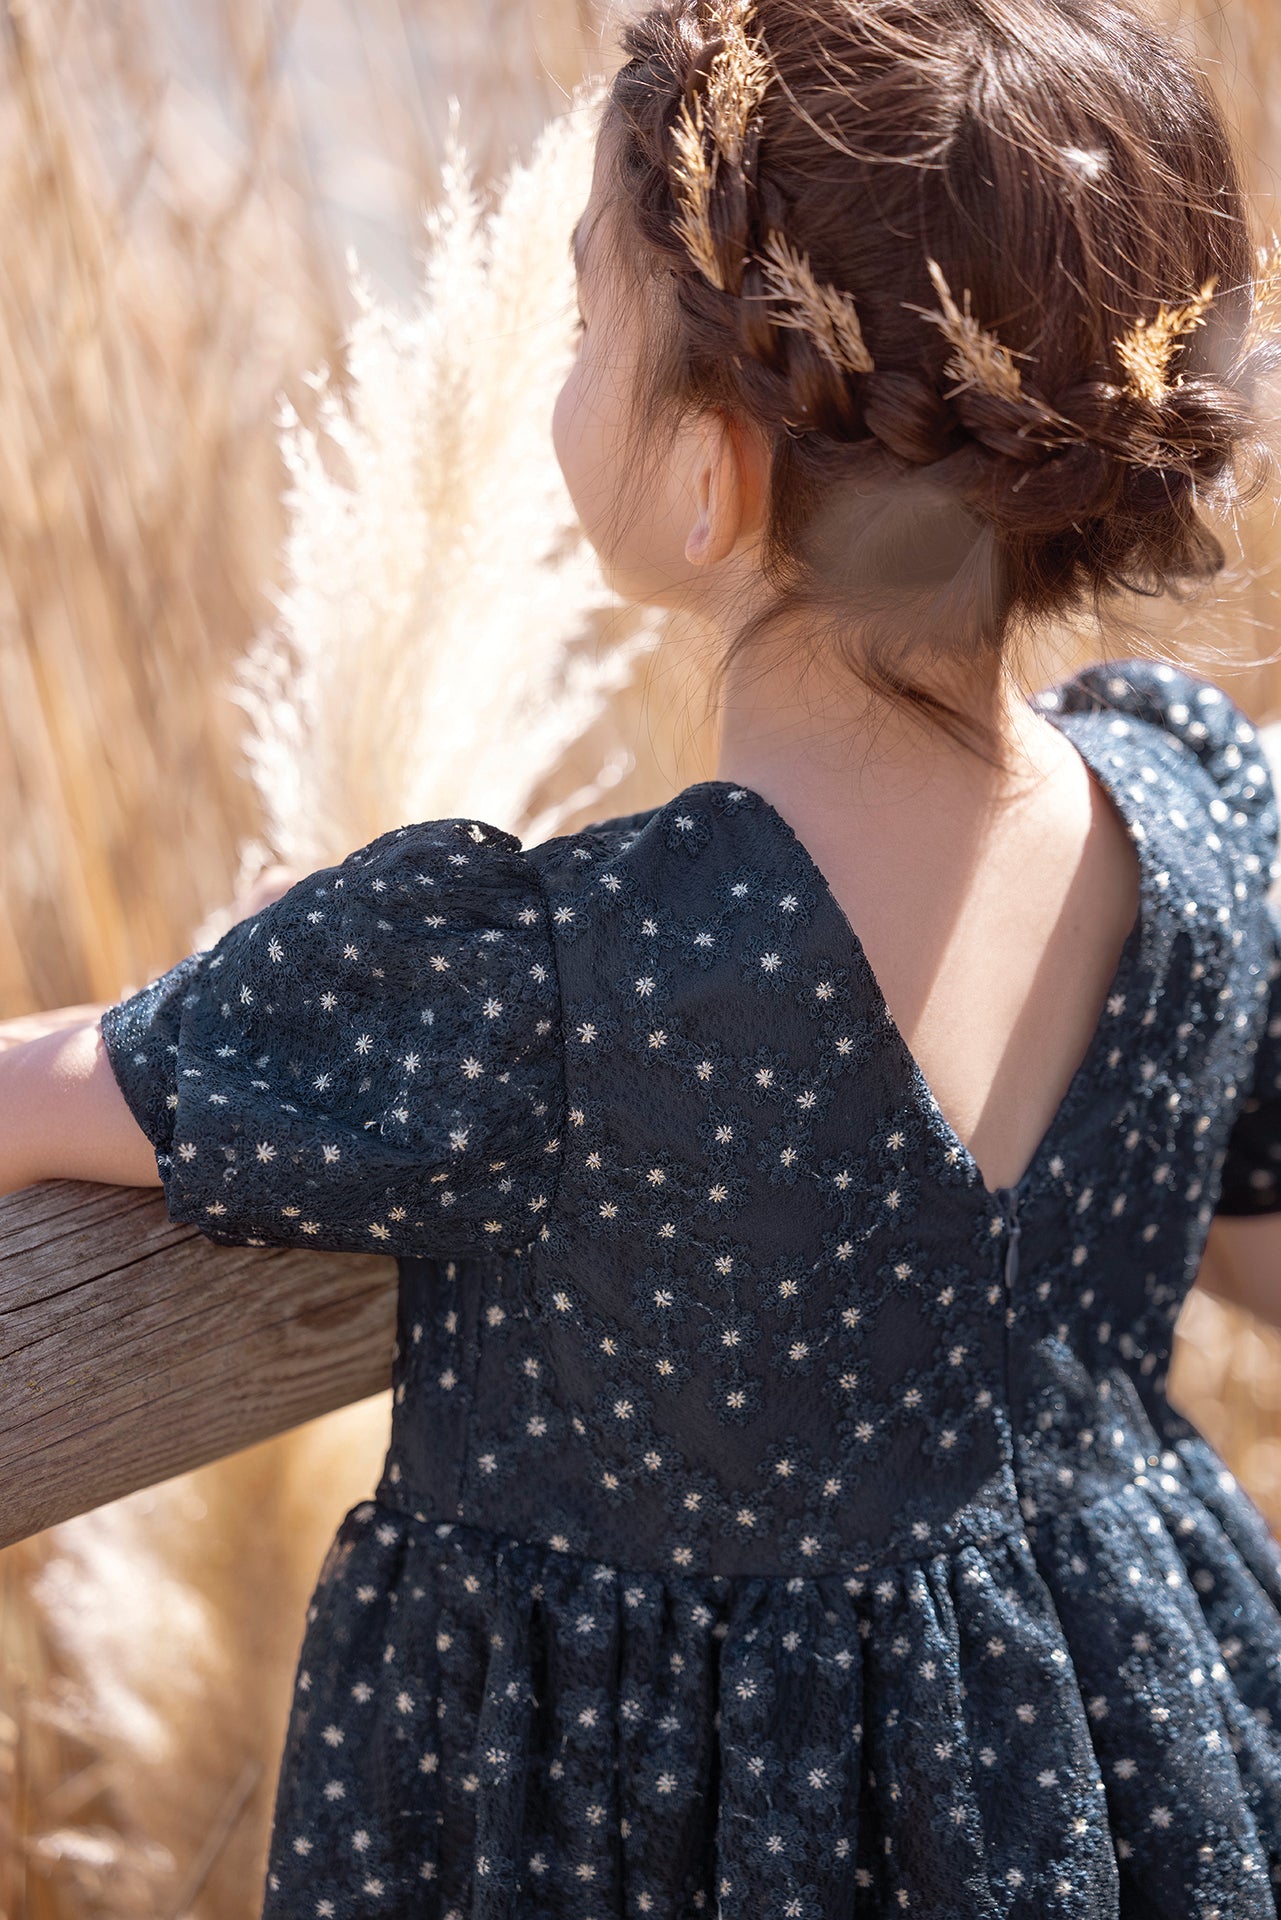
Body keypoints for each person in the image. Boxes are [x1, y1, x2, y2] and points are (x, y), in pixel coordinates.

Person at [7, 0, 1281, 1907]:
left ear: (712, 471)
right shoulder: (1194, 824)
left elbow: (36, 1095)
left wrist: (275, 979)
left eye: (584, 316)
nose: (562, 365)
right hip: (1141, 1752)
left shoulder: (546, 978)